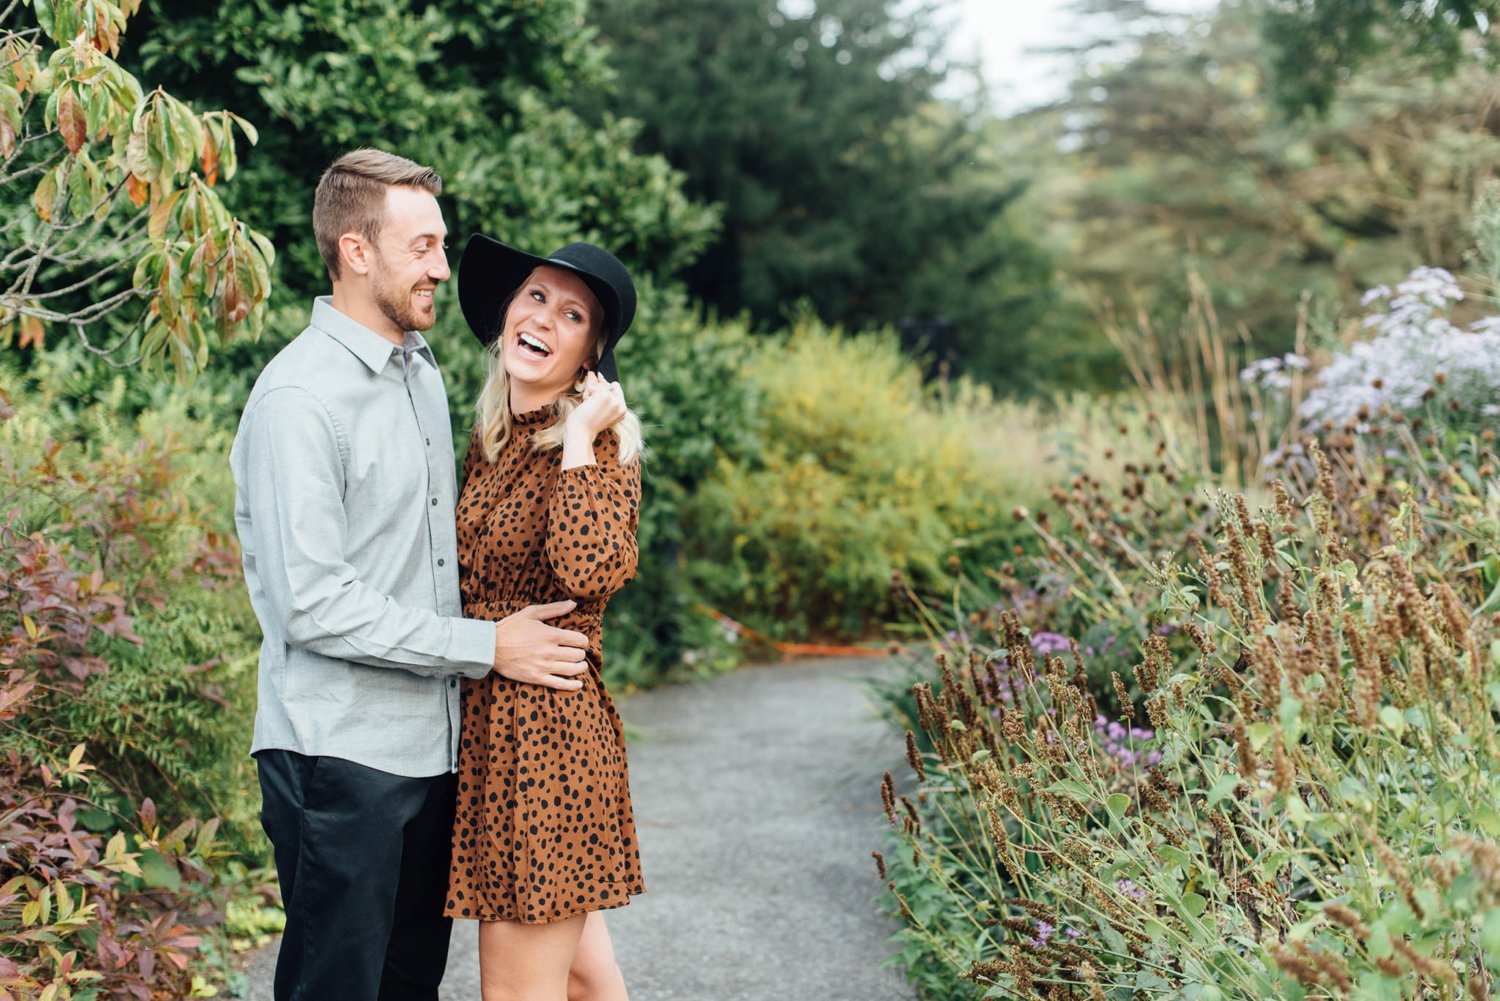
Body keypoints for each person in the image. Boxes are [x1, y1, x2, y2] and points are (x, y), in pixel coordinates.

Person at [229, 149, 593, 1001]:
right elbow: (311, 603)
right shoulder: (299, 399)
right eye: (422, 246)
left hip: (432, 755)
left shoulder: (421, 372)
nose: (441, 267)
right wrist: (485, 645)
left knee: (407, 988)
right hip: (337, 756)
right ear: (358, 252)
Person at [443, 234, 645, 1001]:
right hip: (495, 738)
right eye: (536, 297)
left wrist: (581, 442)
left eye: (573, 313)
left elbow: (587, 570)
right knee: (590, 982)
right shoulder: (490, 443)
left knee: (516, 992)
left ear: (591, 352)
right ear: (505, 315)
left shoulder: (601, 449)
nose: (544, 320)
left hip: (547, 745)